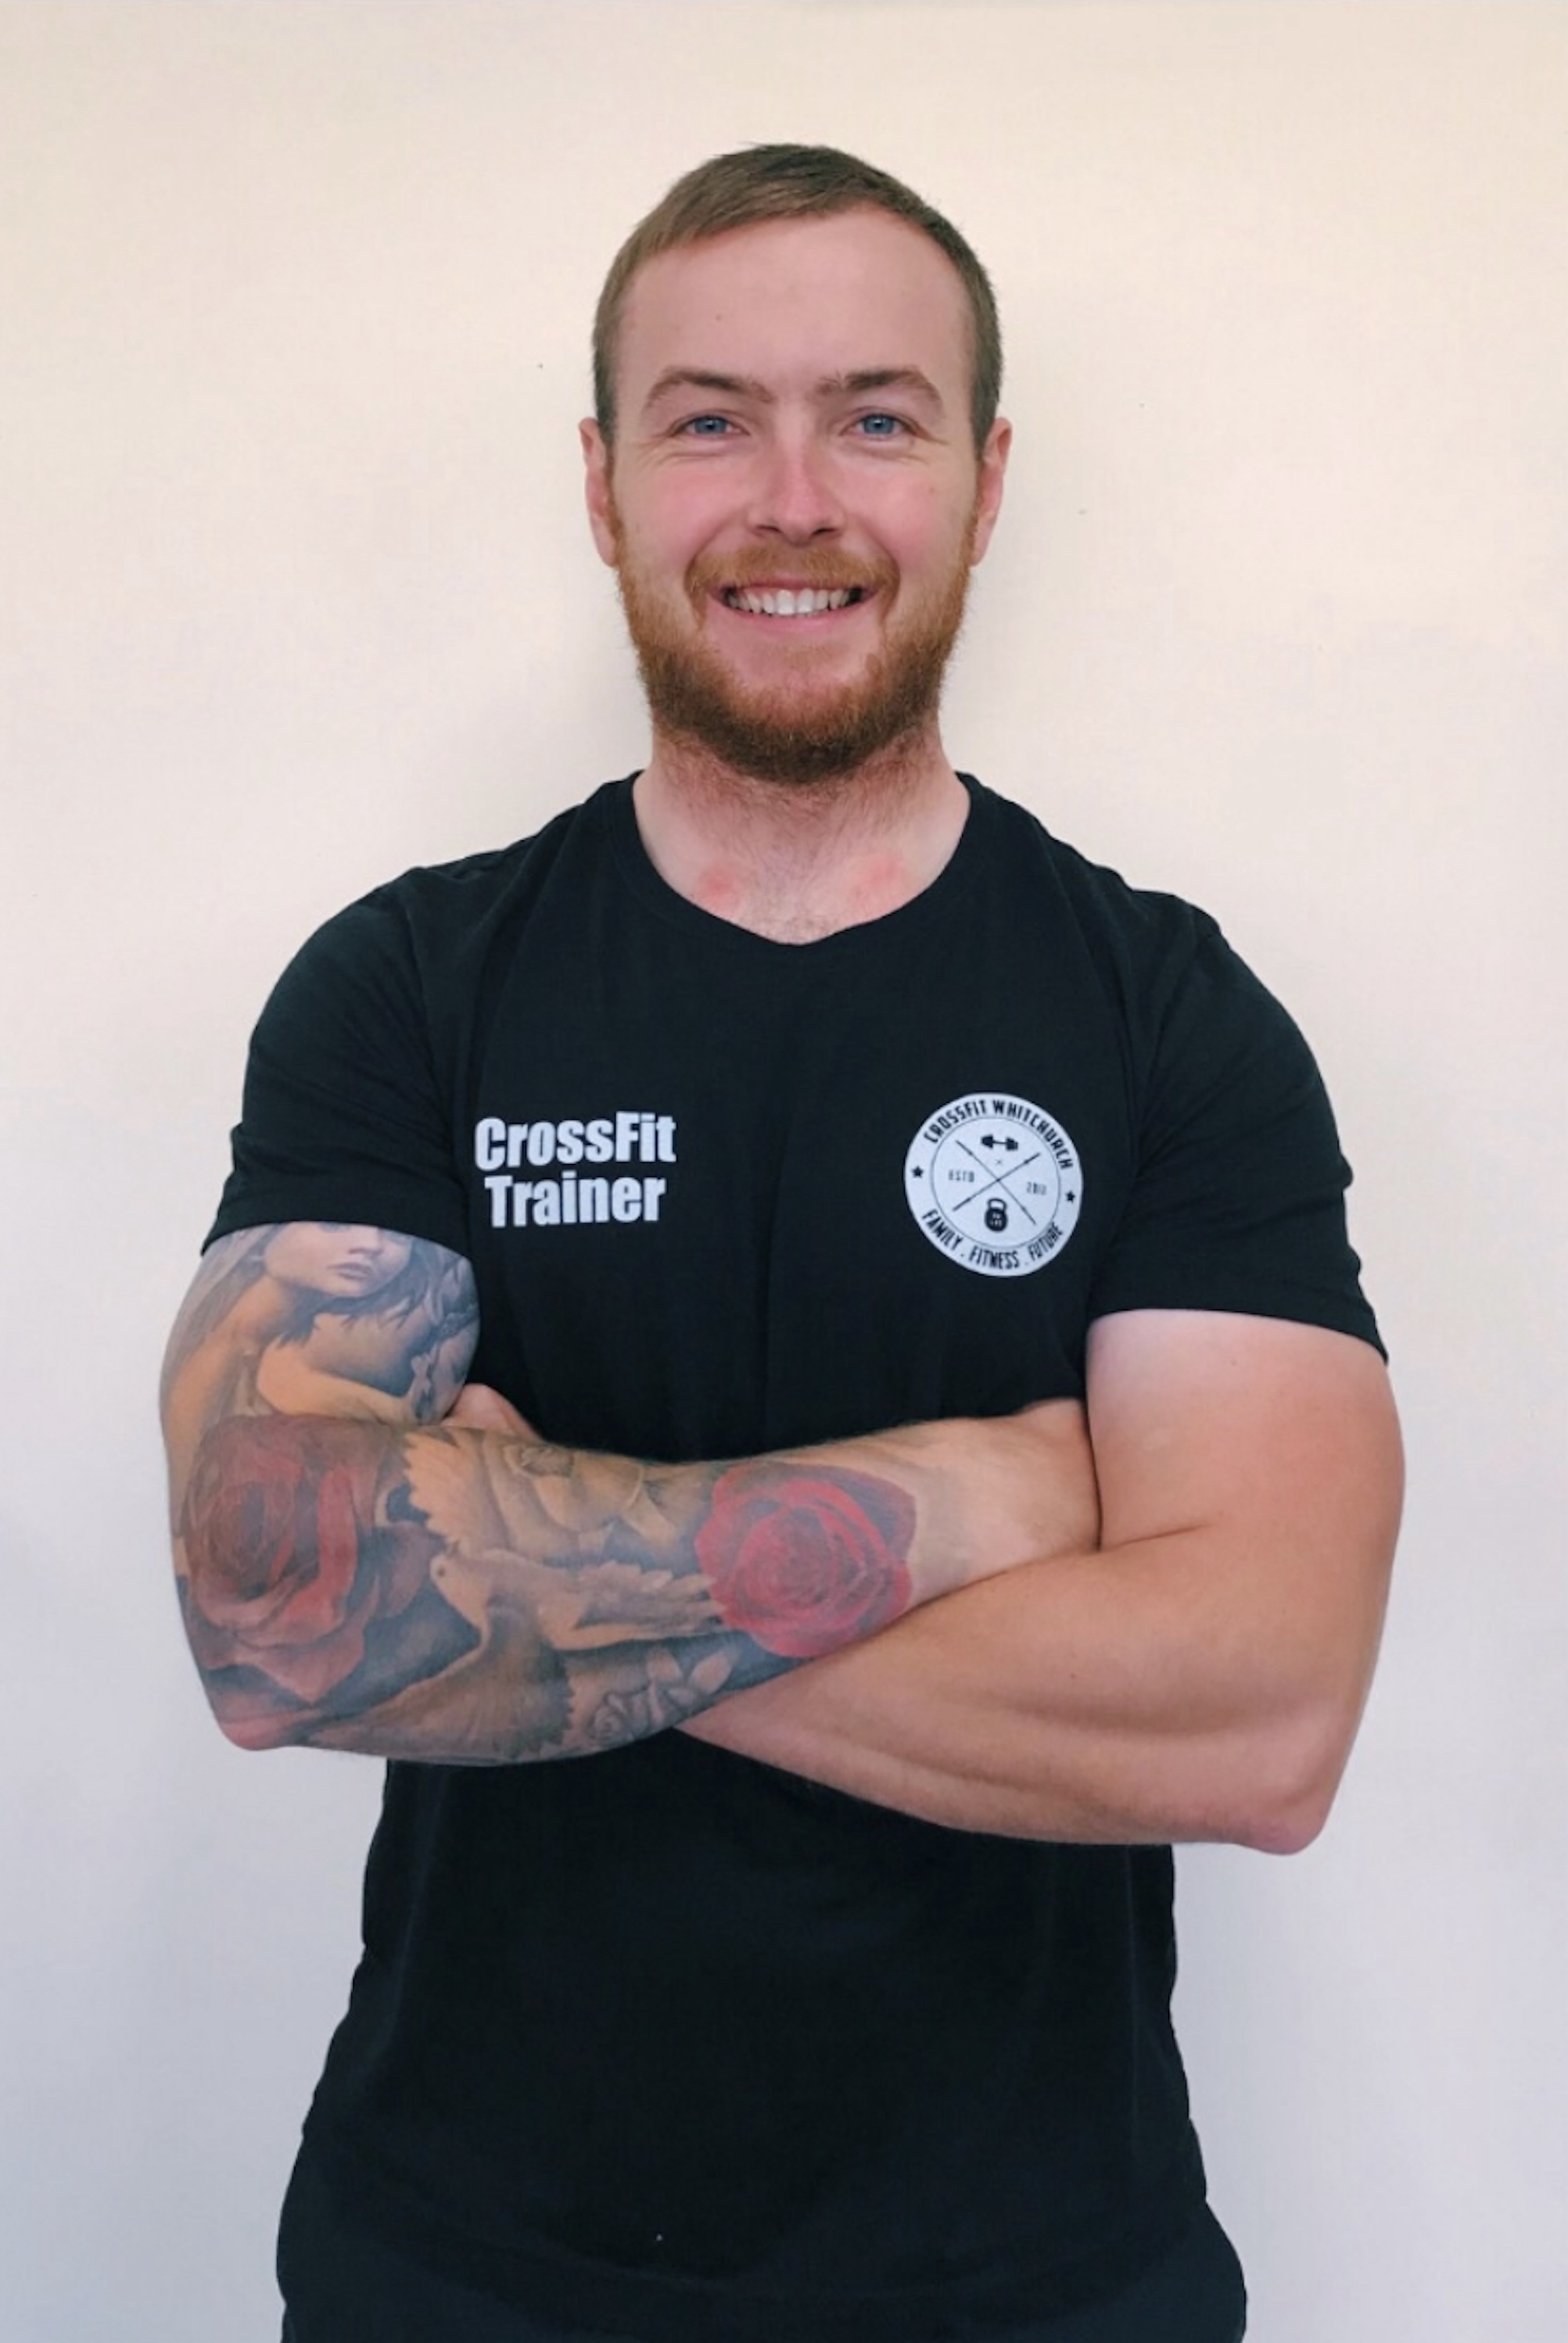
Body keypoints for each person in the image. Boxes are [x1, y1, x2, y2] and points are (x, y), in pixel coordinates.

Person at [161, 144, 1402, 2343]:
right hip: (463, 2266)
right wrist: (979, 1499)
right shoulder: (410, 989)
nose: (795, 499)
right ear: (605, 484)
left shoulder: (1167, 1017)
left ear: (987, 483)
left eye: (878, 417)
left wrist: (523, 1574)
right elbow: (287, 1610)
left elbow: (1263, 1717)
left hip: (1046, 2279)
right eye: (711, 418)